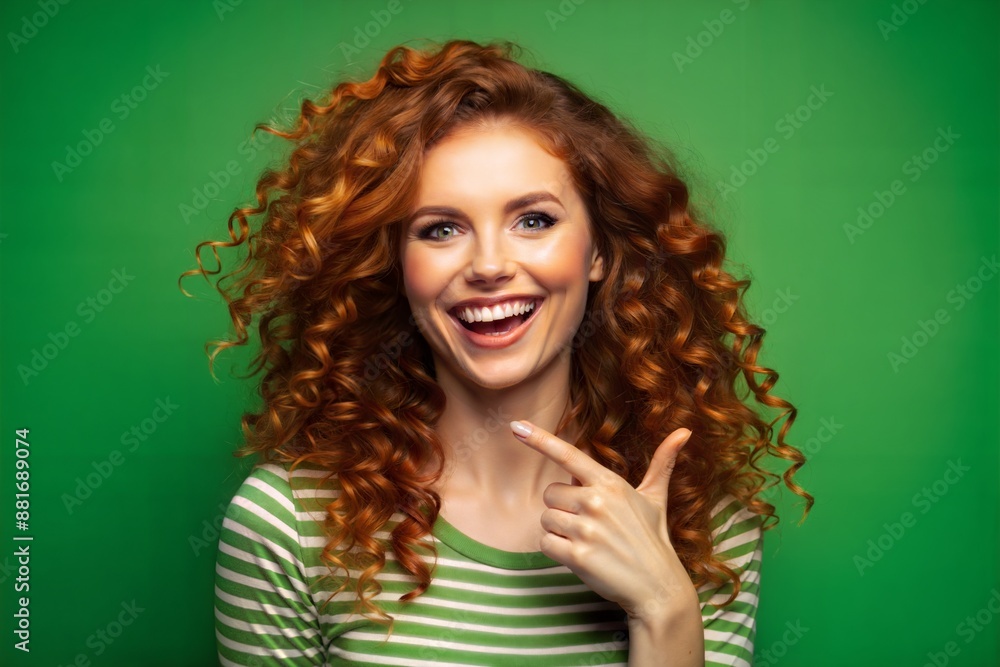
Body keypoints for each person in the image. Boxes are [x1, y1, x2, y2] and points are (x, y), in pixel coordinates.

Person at [181, 38, 813, 667]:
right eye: (441, 229)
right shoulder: (287, 525)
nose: (488, 266)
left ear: (597, 253)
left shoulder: (702, 530)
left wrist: (665, 607)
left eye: (534, 220)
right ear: (398, 264)